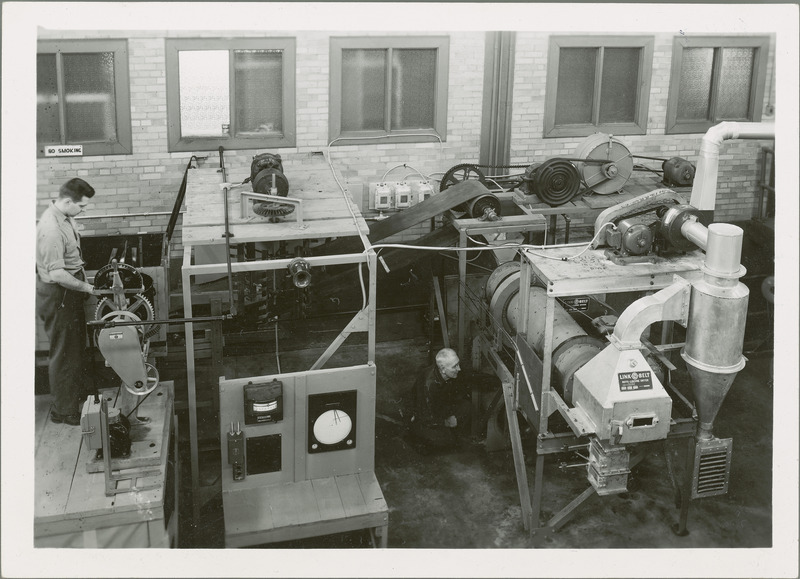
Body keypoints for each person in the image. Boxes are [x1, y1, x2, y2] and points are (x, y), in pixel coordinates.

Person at [36, 178, 100, 425]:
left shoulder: (65, 217)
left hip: (67, 293)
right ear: (66, 201)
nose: (83, 211)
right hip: (58, 295)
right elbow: (57, 274)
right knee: (64, 354)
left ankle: (74, 399)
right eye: (81, 207)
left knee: (73, 351)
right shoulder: (51, 228)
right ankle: (64, 411)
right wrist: (88, 288)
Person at [407, 348, 472, 450]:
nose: (459, 369)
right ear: (443, 369)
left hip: (438, 405)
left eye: (458, 364)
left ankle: (449, 432)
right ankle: (416, 434)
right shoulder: (429, 386)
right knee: (444, 442)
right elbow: (425, 415)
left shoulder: (445, 371)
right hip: (424, 415)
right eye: (455, 366)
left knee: (467, 406)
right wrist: (446, 422)